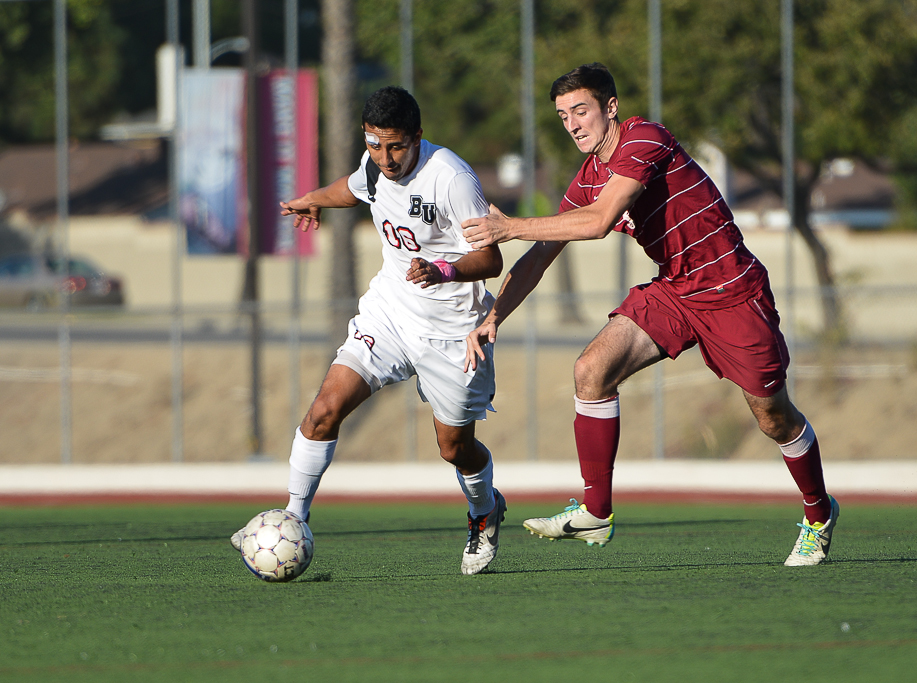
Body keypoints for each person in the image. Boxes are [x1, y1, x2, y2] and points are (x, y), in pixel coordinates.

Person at [463, 63, 837, 566]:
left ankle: (819, 515)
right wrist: (494, 316)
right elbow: (539, 254)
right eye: (562, 116)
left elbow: (596, 224)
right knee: (591, 370)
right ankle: (596, 514)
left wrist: (509, 227)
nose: (572, 124)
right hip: (675, 289)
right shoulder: (589, 174)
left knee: (773, 418)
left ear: (610, 108)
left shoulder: (645, 138)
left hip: (731, 290)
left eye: (581, 110)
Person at [231, 86, 506, 575]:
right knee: (324, 410)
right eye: (375, 144)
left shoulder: (451, 178)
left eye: (396, 145)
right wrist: (314, 199)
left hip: (452, 331)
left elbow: (491, 256)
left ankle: (485, 511)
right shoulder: (375, 164)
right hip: (390, 311)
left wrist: (442, 270)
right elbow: (356, 186)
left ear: (417, 136)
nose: (386, 157)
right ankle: (293, 517)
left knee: (453, 448)